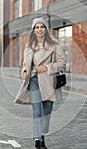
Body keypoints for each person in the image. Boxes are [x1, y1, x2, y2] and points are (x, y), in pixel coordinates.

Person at [14, 17, 66, 149]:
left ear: (46, 29)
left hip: (49, 82)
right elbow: (25, 64)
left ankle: (42, 135)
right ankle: (38, 140)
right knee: (37, 111)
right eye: (36, 27)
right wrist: (24, 72)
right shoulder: (29, 45)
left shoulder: (55, 44)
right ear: (33, 30)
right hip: (34, 81)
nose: (39, 29)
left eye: (41, 27)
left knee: (47, 111)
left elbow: (62, 64)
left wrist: (47, 68)